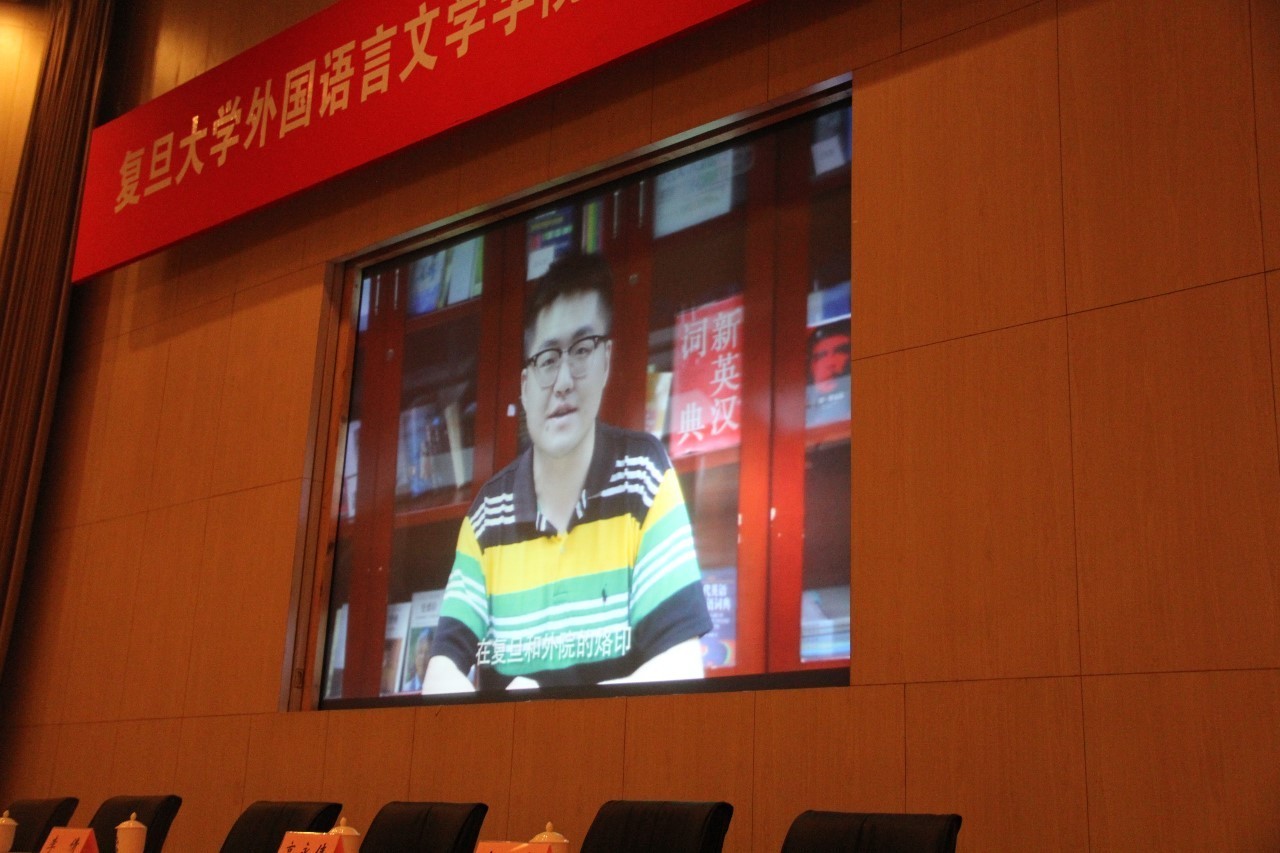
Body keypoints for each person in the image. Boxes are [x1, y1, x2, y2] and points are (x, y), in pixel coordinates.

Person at [423, 253, 711, 694]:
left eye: (581, 351)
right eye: (546, 359)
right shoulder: (488, 515)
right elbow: (441, 671)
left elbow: (682, 665)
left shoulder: (643, 476)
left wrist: (552, 715)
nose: (562, 382)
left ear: (606, 361)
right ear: (524, 386)